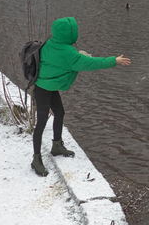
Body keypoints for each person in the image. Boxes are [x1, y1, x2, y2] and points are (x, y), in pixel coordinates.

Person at [30, 16, 131, 177]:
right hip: (44, 88)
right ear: (70, 33)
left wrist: (78, 55)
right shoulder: (68, 52)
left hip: (48, 85)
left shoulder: (51, 42)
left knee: (60, 113)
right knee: (41, 122)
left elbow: (65, 59)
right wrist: (115, 61)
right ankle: (36, 159)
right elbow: (90, 63)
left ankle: (57, 145)